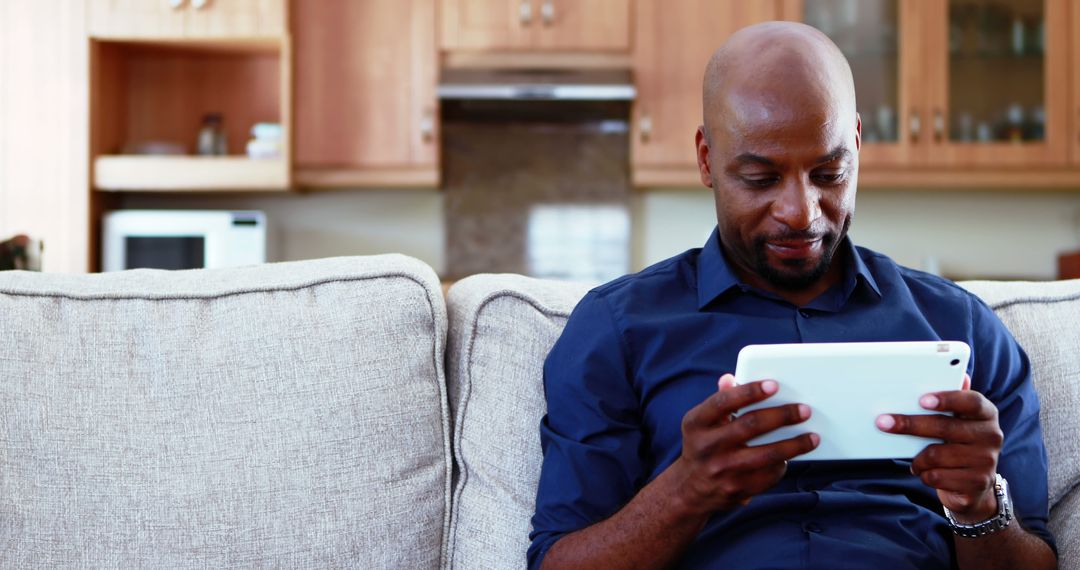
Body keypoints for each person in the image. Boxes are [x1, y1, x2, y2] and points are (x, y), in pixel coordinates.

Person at [528, 21, 1057, 570]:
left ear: (856, 145)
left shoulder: (961, 328)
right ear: (708, 159)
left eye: (829, 173)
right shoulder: (617, 328)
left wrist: (977, 507)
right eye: (760, 179)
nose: (801, 213)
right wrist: (685, 491)